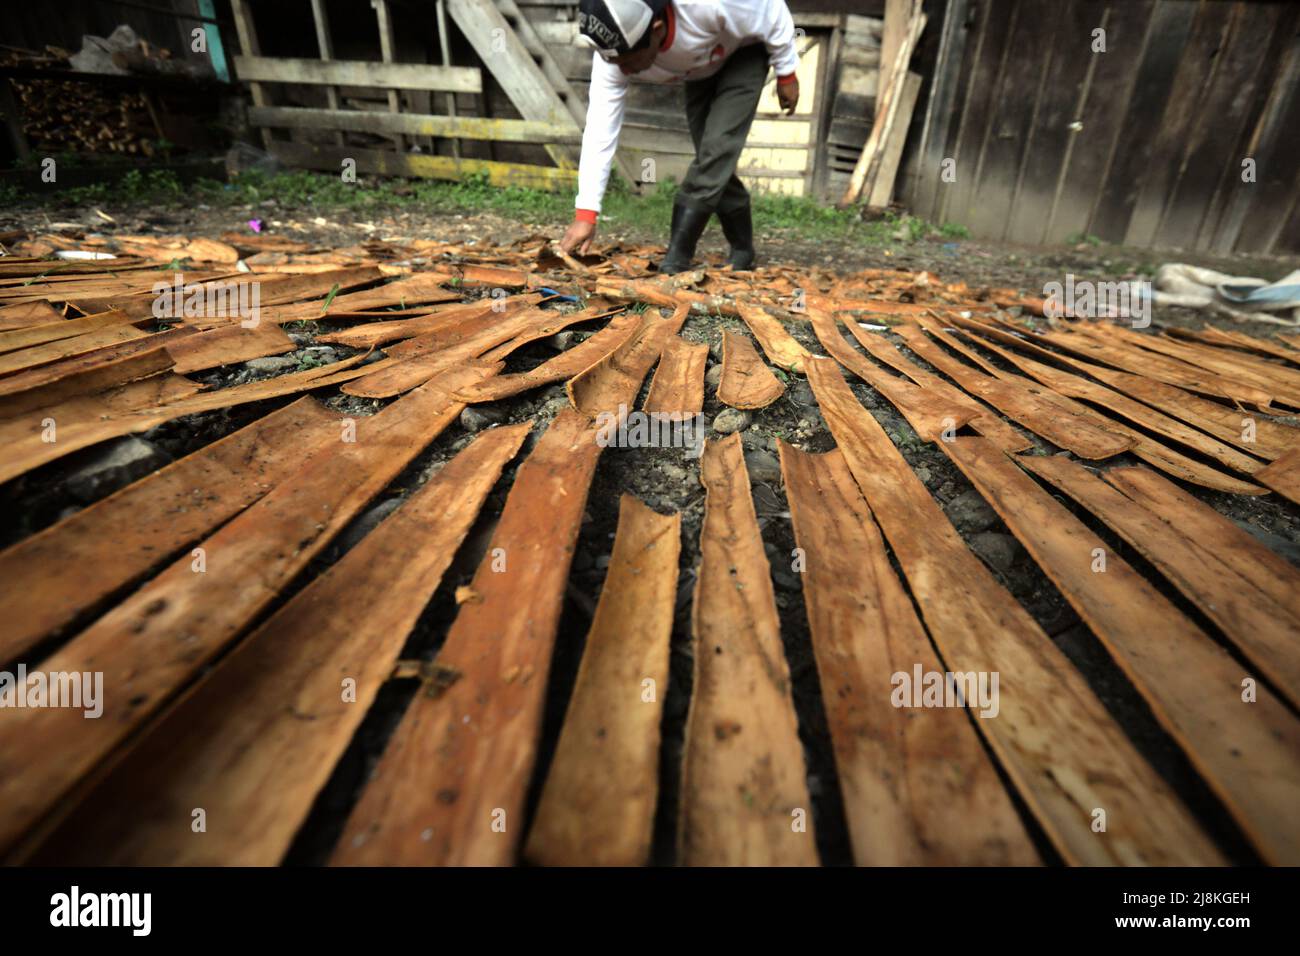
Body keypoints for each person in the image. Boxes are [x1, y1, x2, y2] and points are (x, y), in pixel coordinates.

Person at [558, 0, 800, 273]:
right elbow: (600, 127)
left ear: (658, 29)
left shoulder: (708, 4)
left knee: (716, 150)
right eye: (615, 62)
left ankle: (677, 256)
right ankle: (743, 247)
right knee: (712, 159)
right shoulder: (614, 54)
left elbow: (771, 9)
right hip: (699, 70)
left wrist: (786, 71)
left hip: (745, 52)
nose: (623, 70)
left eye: (629, 61)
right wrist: (586, 213)